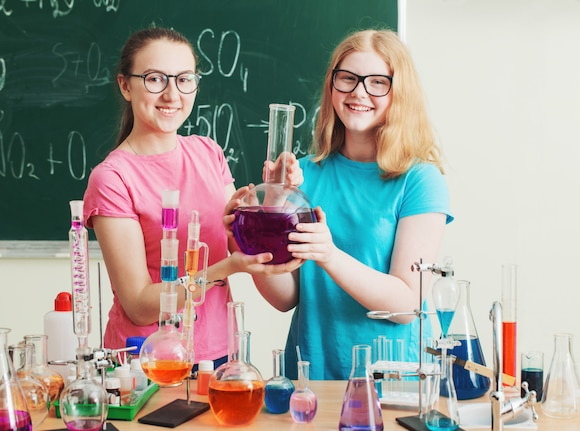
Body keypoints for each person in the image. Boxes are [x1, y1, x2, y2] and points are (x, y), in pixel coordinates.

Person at [226, 29, 454, 380]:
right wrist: (249, 239)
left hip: (391, 383)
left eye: (377, 82)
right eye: (347, 79)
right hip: (311, 377)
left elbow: (407, 305)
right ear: (332, 87)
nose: (359, 92)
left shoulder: (420, 180)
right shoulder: (301, 176)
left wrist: (329, 255)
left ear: (399, 93)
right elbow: (286, 297)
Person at [83, 27, 303, 369]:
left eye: (184, 79)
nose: (172, 94)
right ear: (125, 85)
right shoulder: (112, 178)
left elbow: (278, 291)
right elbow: (139, 305)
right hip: (146, 361)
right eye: (155, 79)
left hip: (218, 356)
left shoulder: (208, 153)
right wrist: (226, 269)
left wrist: (271, 206)